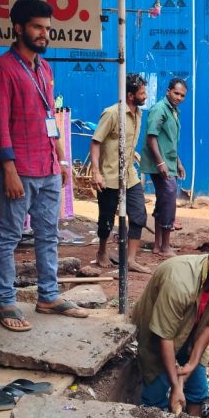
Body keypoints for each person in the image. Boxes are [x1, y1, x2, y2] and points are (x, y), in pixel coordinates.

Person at [0, 0, 86, 331]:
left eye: (47, 28)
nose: (44, 34)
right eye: (37, 27)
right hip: (20, 169)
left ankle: (48, 295)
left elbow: (49, 117)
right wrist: (9, 169)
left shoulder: (44, 68)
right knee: (8, 237)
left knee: (48, 234)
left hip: (47, 167)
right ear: (18, 28)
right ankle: (6, 303)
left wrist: (62, 159)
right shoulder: (2, 69)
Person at [132, 241, 209, 416]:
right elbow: (165, 336)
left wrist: (191, 364)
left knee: (198, 392)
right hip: (157, 335)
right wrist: (175, 386)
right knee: (155, 400)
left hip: (190, 335)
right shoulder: (180, 282)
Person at [90, 74, 151, 274]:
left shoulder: (139, 114)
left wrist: (135, 155)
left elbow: (127, 142)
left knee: (139, 214)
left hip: (129, 174)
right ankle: (101, 251)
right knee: (106, 218)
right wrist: (96, 172)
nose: (146, 95)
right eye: (142, 93)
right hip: (109, 175)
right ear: (130, 95)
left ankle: (130, 260)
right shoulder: (112, 114)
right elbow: (96, 142)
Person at [142, 78, 188, 257]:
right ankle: (166, 246)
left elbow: (169, 141)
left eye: (182, 95)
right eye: (176, 93)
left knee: (163, 201)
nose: (179, 97)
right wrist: (161, 162)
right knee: (169, 200)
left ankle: (157, 245)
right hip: (160, 164)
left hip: (169, 163)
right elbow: (151, 137)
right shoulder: (159, 109)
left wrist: (178, 163)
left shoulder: (173, 110)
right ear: (168, 91)